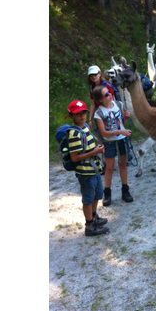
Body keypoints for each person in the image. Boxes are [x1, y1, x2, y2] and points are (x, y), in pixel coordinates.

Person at [65, 100, 110, 236]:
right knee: (88, 198)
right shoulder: (74, 133)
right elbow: (74, 158)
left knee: (97, 194)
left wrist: (98, 149)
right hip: (85, 173)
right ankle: (89, 226)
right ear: (72, 116)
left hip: (94, 170)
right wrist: (94, 152)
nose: (82, 115)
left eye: (84, 112)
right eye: (78, 114)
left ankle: (94, 217)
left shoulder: (85, 126)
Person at [92, 87, 135, 206]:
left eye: (109, 93)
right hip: (109, 142)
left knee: (123, 166)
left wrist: (126, 116)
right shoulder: (99, 113)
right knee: (109, 168)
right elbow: (104, 133)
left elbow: (124, 123)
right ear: (100, 100)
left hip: (122, 140)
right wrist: (121, 132)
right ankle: (107, 193)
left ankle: (125, 191)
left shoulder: (118, 104)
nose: (110, 95)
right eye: (106, 95)